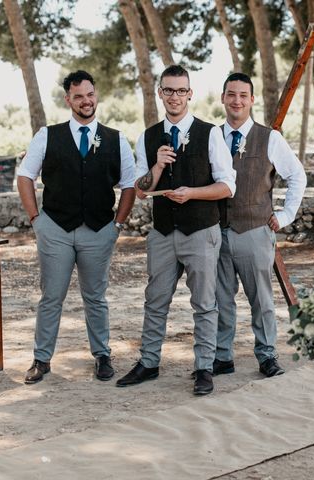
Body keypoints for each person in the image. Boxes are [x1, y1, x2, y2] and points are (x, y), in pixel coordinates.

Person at [116, 65, 236, 396]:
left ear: (190, 94)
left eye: (181, 91)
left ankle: (204, 368)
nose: (175, 97)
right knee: (155, 300)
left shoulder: (210, 133)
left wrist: (192, 193)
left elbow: (228, 186)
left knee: (204, 302)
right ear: (160, 93)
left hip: (201, 229)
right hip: (163, 231)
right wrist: (156, 165)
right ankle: (149, 363)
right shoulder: (147, 136)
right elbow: (141, 190)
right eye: (168, 90)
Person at [17, 70, 137, 384]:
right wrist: (36, 220)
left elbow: (129, 185)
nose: (86, 101)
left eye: (90, 95)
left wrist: (117, 225)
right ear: (68, 99)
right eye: (79, 96)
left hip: (99, 230)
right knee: (51, 296)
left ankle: (102, 355)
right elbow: (25, 176)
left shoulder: (115, 138)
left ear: (96, 96)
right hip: (54, 228)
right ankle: (41, 359)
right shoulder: (48, 135)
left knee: (95, 297)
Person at [214, 73, 306, 378]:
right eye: (231, 94)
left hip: (254, 230)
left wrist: (285, 214)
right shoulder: (212, 136)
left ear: (252, 99)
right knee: (220, 299)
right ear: (223, 98)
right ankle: (222, 356)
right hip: (216, 232)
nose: (237, 100)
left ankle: (267, 355)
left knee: (261, 299)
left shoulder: (270, 138)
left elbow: (297, 176)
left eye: (243, 95)